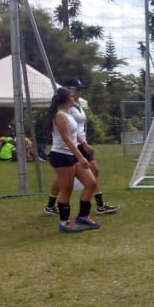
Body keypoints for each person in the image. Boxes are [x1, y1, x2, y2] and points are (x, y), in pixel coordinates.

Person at [43, 79, 118, 216]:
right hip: (71, 148)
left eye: (80, 89)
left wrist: (84, 143)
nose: (80, 92)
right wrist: (81, 148)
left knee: (92, 174)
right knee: (65, 182)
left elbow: (75, 129)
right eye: (77, 90)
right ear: (69, 91)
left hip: (78, 144)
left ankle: (97, 206)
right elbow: (66, 136)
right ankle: (53, 206)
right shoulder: (64, 111)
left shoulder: (77, 105)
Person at [46, 87, 100, 233]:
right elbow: (67, 139)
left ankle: (83, 216)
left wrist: (84, 144)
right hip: (61, 156)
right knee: (67, 189)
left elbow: (74, 134)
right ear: (66, 99)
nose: (74, 97)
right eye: (71, 96)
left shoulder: (68, 113)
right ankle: (64, 223)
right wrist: (81, 157)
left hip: (72, 154)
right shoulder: (60, 116)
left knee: (91, 183)